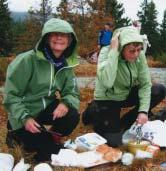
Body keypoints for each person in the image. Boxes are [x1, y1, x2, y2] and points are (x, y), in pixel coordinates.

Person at [3, 18, 80, 162]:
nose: (59, 37)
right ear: (46, 38)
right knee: (48, 152)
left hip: (44, 109)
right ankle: (14, 136)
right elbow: (11, 96)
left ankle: (48, 137)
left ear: (70, 40)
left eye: (64, 35)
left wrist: (65, 103)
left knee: (72, 115)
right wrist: (25, 118)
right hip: (23, 115)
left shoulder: (65, 64)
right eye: (54, 34)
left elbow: (72, 92)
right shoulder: (26, 60)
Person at [82, 27, 166, 147]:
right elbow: (107, 81)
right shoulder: (107, 53)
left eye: (139, 50)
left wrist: (143, 111)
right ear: (121, 47)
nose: (136, 54)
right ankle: (92, 109)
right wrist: (114, 52)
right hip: (108, 98)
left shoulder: (139, 55)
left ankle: (127, 121)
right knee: (114, 142)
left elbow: (145, 84)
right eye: (132, 51)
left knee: (159, 90)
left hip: (125, 94)